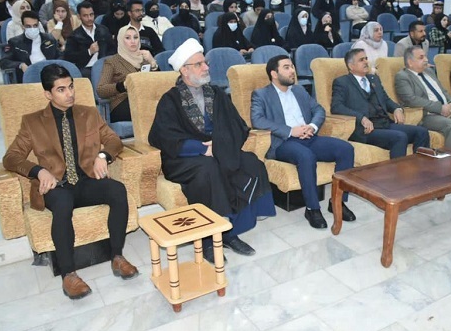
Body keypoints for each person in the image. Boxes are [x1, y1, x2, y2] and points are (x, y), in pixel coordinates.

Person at [2, 64, 138, 300]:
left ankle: (117, 256)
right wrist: (38, 171)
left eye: (71, 87)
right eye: (61, 90)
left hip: (85, 180)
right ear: (48, 94)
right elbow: (11, 157)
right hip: (56, 186)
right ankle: (69, 275)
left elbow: (114, 140)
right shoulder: (32, 122)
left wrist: (103, 155)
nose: (70, 94)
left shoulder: (89, 114)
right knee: (63, 203)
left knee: (117, 190)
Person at [149, 39, 275, 262]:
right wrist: (200, 148)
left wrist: (219, 145)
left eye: (205, 62)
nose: (206, 67)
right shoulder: (171, 100)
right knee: (209, 170)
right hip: (184, 159)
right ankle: (209, 240)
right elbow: (162, 136)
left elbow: (237, 126)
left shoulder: (216, 93)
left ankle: (231, 232)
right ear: (184, 70)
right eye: (199, 64)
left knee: (251, 163)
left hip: (219, 150)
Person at [251, 55, 356, 229]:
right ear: (274, 74)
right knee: (306, 156)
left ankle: (337, 201)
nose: (292, 70)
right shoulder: (261, 94)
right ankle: (312, 208)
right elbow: (257, 120)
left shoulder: (299, 91)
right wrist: (290, 131)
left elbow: (319, 110)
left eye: (292, 66)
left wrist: (312, 126)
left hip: (309, 136)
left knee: (346, 149)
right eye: (286, 67)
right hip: (283, 143)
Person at [332, 48, 429, 158]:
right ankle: (396, 170)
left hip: (384, 124)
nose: (366, 62)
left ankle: (420, 166)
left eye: (366, 58)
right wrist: (361, 118)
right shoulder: (342, 82)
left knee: (422, 132)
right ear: (351, 66)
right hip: (366, 130)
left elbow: (386, 100)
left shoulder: (374, 79)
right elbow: (336, 107)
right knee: (400, 137)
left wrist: (397, 109)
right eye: (361, 60)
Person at [395, 46, 451, 156]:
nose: (426, 60)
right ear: (410, 62)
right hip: (426, 116)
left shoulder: (429, 71)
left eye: (425, 56)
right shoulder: (403, 76)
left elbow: (443, 91)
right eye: (421, 57)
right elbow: (411, 100)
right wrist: (440, 108)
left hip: (447, 111)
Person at [97, 26, 158, 122]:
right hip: (122, 103)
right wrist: (123, 85)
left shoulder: (145, 59)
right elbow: (101, 90)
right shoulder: (112, 62)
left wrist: (153, 63)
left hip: (145, 99)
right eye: (128, 38)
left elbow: (160, 84)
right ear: (121, 40)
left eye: (135, 37)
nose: (133, 41)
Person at [0, 11, 60, 83]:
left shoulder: (50, 39)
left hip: (50, 76)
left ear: (39, 25)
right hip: (28, 77)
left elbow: (60, 56)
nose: (32, 28)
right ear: (23, 26)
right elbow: (4, 62)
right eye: (28, 26)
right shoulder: (15, 42)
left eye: (35, 25)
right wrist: (20, 65)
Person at [64, 1, 115, 77]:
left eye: (91, 14)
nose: (89, 18)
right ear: (79, 16)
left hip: (105, 65)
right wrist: (89, 52)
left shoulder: (103, 30)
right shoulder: (74, 36)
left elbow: (113, 49)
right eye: (85, 16)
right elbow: (69, 57)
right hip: (86, 68)